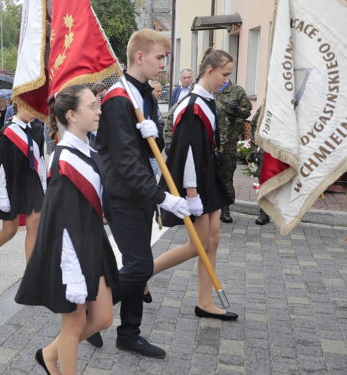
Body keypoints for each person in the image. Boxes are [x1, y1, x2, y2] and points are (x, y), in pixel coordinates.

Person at [92, 29, 189, 358]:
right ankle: (92, 313)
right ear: (139, 56)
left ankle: (128, 333)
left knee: (138, 264)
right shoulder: (118, 98)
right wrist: (162, 197)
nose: (164, 64)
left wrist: (155, 136)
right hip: (122, 194)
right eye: (160, 57)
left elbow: (150, 149)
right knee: (139, 267)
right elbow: (126, 161)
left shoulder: (143, 93)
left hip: (140, 195)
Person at [15, 84, 117, 375]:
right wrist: (71, 274)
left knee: (103, 318)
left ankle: (49, 352)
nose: (99, 111)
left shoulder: (87, 148)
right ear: (71, 114)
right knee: (74, 324)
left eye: (98, 105)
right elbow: (59, 221)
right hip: (69, 250)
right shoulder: (63, 160)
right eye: (92, 106)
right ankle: (55, 362)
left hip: (92, 242)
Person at [151, 49, 238, 321]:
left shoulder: (207, 99)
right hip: (195, 181)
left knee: (212, 240)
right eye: (224, 74)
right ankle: (139, 274)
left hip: (206, 175)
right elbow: (186, 151)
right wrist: (191, 193)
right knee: (197, 244)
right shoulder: (192, 106)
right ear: (209, 71)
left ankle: (205, 301)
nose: (226, 81)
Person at [0, 103, 47, 269]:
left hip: (32, 184)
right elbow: (0, 166)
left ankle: (31, 278)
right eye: (30, 108)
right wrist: (2, 195)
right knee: (10, 230)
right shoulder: (7, 132)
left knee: (35, 226)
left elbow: (40, 159)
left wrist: (44, 185)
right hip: (12, 184)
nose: (34, 113)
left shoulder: (37, 129)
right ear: (19, 106)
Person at [215, 79, 252, 223]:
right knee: (205, 175)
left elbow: (247, 111)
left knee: (226, 175)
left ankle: (225, 210)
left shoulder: (237, 91)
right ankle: (204, 209)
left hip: (228, 142)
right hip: (210, 140)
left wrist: (237, 110)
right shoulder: (209, 88)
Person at [148, 80, 165, 177]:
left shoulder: (155, 104)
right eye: (157, 91)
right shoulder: (147, 106)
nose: (160, 94)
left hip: (156, 148)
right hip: (150, 150)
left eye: (161, 91)